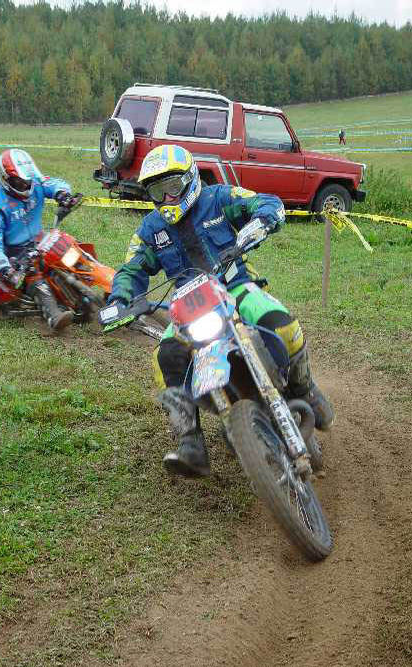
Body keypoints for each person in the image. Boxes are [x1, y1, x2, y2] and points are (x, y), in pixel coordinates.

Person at [106, 144, 334, 477]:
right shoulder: (150, 230)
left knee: (282, 325)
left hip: (236, 286)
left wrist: (261, 221)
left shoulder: (219, 198)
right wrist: (119, 300)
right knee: (163, 357)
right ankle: (189, 440)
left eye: (173, 187)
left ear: (190, 179)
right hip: (190, 308)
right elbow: (132, 268)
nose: (168, 197)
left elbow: (262, 201)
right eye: (158, 190)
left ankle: (305, 389)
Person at [0, 148, 81, 331]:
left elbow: (52, 183)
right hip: (13, 253)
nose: (26, 185)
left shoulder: (34, 183)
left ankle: (96, 283)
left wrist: (62, 194)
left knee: (68, 246)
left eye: (27, 179)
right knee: (34, 273)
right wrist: (6, 269)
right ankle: (54, 315)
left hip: (37, 239)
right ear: (6, 179)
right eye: (19, 181)